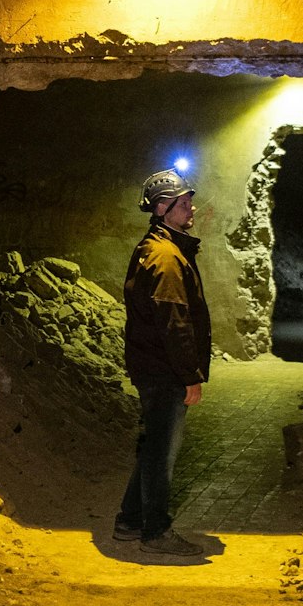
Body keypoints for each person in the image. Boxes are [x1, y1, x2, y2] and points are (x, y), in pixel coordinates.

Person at [114, 168, 211, 556]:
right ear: (162, 208)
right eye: (183, 203)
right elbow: (174, 322)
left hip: (154, 366)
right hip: (163, 370)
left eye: (188, 201)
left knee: (155, 444)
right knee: (162, 452)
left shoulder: (161, 247)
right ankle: (155, 531)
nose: (191, 208)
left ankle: (129, 520)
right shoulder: (166, 256)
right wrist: (190, 376)